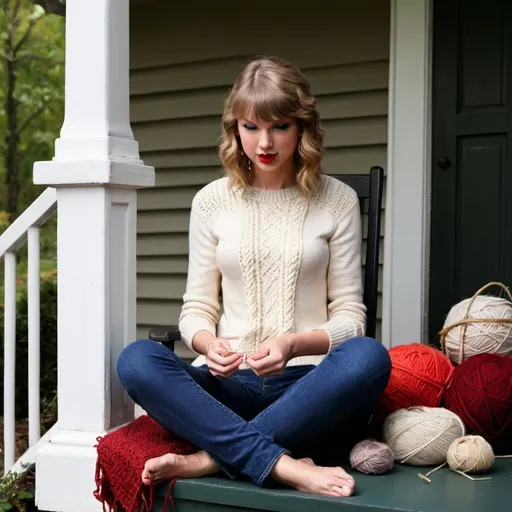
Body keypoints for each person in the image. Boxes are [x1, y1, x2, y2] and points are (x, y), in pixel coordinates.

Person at [117, 56, 391, 498]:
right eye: (250, 127)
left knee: (369, 356)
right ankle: (285, 464)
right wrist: (209, 346)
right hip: (231, 386)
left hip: (309, 390)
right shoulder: (210, 202)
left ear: (302, 128)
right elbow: (197, 309)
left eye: (279, 126)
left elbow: (350, 317)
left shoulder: (336, 200)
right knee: (136, 360)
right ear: (235, 130)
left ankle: (208, 459)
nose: (264, 142)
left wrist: (293, 344)